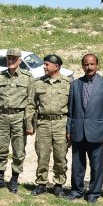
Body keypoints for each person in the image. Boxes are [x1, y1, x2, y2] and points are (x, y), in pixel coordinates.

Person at [67, 54, 103, 203]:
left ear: (97, 65)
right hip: (78, 130)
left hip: (96, 131)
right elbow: (70, 110)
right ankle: (76, 191)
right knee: (77, 164)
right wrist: (69, 129)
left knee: (96, 165)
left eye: (92, 64)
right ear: (82, 66)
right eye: (86, 64)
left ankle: (94, 193)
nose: (89, 67)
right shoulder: (75, 84)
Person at [0, 48, 33, 193]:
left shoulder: (27, 77)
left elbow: (31, 102)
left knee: (19, 150)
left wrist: (29, 123)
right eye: (9, 58)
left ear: (20, 60)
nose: (11, 61)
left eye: (14, 58)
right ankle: (0, 178)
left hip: (19, 117)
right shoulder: (0, 76)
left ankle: (14, 179)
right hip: (2, 117)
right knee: (0, 148)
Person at [27, 54, 71, 196]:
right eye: (44, 64)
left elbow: (73, 107)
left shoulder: (68, 83)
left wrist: (70, 129)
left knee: (60, 156)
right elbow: (31, 105)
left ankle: (58, 184)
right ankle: (41, 183)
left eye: (47, 64)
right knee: (42, 155)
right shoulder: (38, 83)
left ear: (56, 66)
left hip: (61, 123)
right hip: (43, 123)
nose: (44, 67)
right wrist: (29, 124)